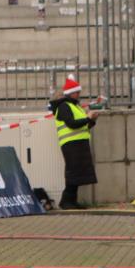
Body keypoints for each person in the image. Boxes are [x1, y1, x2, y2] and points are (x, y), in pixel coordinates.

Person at [49, 75, 98, 209]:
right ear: (71, 93)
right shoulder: (64, 106)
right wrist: (88, 118)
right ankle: (66, 201)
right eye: (77, 92)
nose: (79, 94)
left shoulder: (75, 106)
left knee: (77, 173)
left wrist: (91, 120)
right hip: (71, 144)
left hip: (78, 143)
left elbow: (83, 126)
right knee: (73, 172)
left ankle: (71, 201)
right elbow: (72, 124)